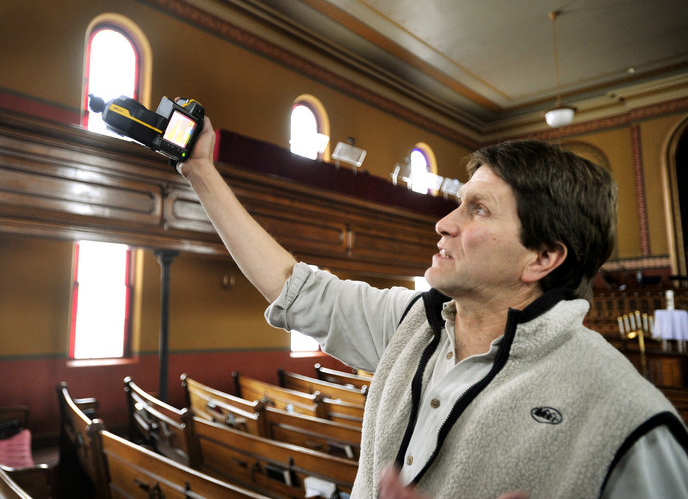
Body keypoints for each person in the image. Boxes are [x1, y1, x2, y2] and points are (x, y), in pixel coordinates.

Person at [177, 115, 688, 498]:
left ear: (543, 256)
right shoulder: (409, 324)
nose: (443, 223)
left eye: (478, 209)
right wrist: (199, 168)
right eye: (459, 201)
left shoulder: (625, 414)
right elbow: (294, 287)